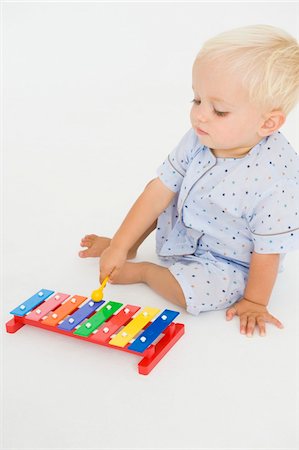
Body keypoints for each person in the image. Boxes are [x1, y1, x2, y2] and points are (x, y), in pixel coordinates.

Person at [79, 24, 299, 337]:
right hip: (189, 225)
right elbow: (158, 191)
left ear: (268, 122)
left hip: (229, 262)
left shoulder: (276, 182)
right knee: (161, 193)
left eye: (219, 110)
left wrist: (254, 301)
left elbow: (267, 251)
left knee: (196, 294)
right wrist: (119, 243)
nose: (200, 116)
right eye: (196, 100)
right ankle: (125, 250)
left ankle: (143, 271)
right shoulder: (201, 136)